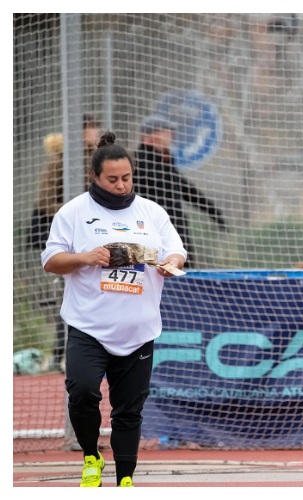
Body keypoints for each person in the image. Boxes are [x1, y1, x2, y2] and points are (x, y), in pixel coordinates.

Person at [41, 131, 187, 487]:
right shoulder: (73, 212)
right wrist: (84, 257)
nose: (121, 185)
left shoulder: (151, 212)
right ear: (95, 177)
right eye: (112, 179)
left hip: (138, 329)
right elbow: (51, 260)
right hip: (88, 326)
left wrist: (170, 262)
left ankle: (125, 480)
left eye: (126, 178)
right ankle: (92, 455)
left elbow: (177, 251)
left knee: (129, 410)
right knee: (83, 391)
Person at [30, 114, 101, 372]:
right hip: (60, 240)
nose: (95, 131)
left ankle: (84, 350)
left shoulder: (96, 159)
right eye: (90, 127)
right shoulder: (61, 160)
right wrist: (73, 211)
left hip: (86, 238)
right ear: (79, 131)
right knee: (66, 296)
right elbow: (44, 201)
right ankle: (62, 352)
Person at [134, 114, 226, 268]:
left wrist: (212, 211)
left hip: (175, 229)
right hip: (154, 233)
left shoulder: (166, 161)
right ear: (150, 136)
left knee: (183, 271)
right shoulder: (140, 163)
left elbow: (186, 189)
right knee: (158, 272)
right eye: (166, 131)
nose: (171, 135)